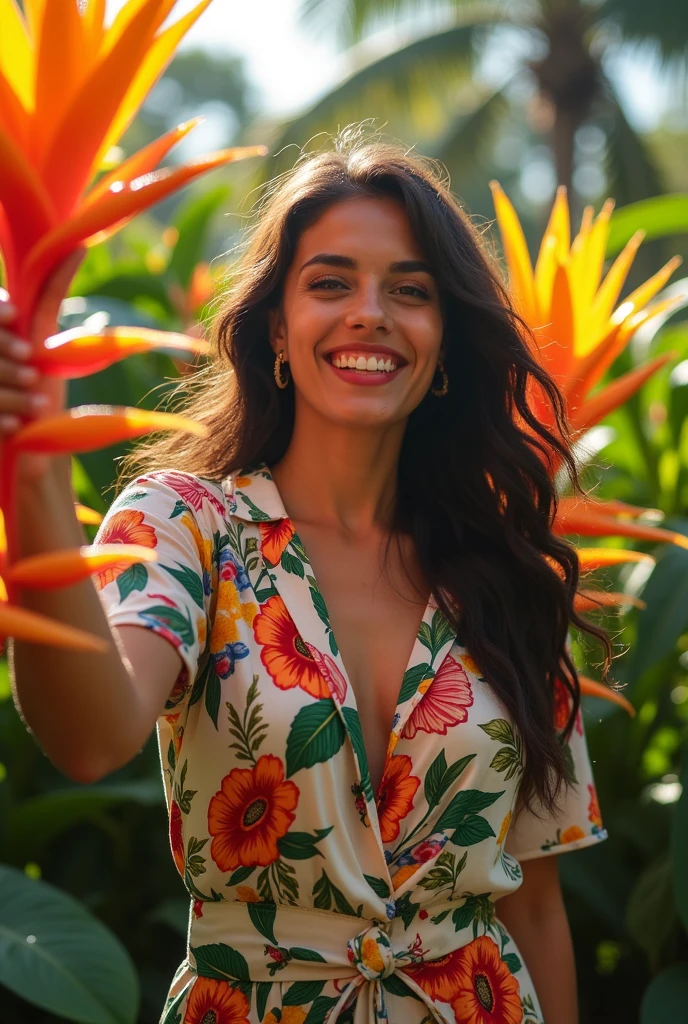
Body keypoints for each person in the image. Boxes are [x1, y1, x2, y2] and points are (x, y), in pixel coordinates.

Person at [5, 134, 613, 1024]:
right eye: (330, 283)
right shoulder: (184, 523)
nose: (370, 312)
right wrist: (30, 476)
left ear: (444, 347)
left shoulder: (507, 569)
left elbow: (535, 906)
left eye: (410, 291)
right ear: (278, 331)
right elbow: (92, 737)